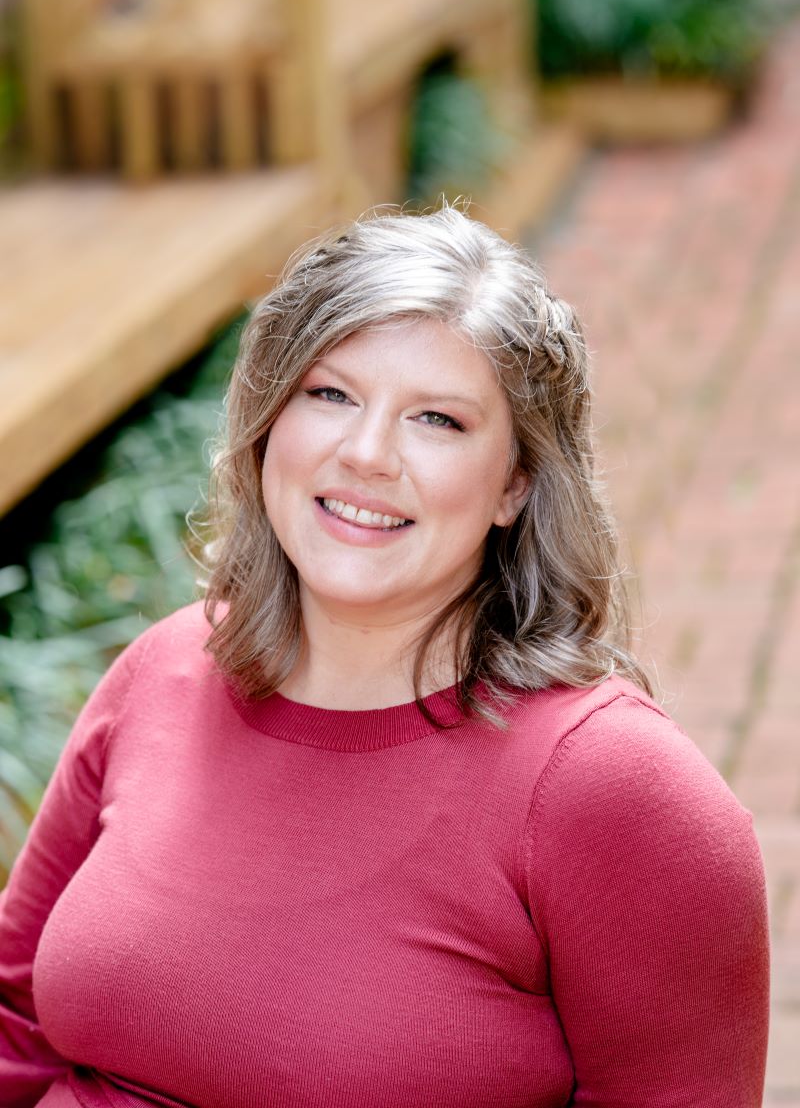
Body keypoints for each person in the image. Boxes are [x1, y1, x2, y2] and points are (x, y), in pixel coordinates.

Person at [0, 205, 769, 1107]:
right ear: (266, 424)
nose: (365, 454)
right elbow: (16, 1024)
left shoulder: (614, 790)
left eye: (437, 420)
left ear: (516, 484)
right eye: (329, 394)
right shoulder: (166, 670)